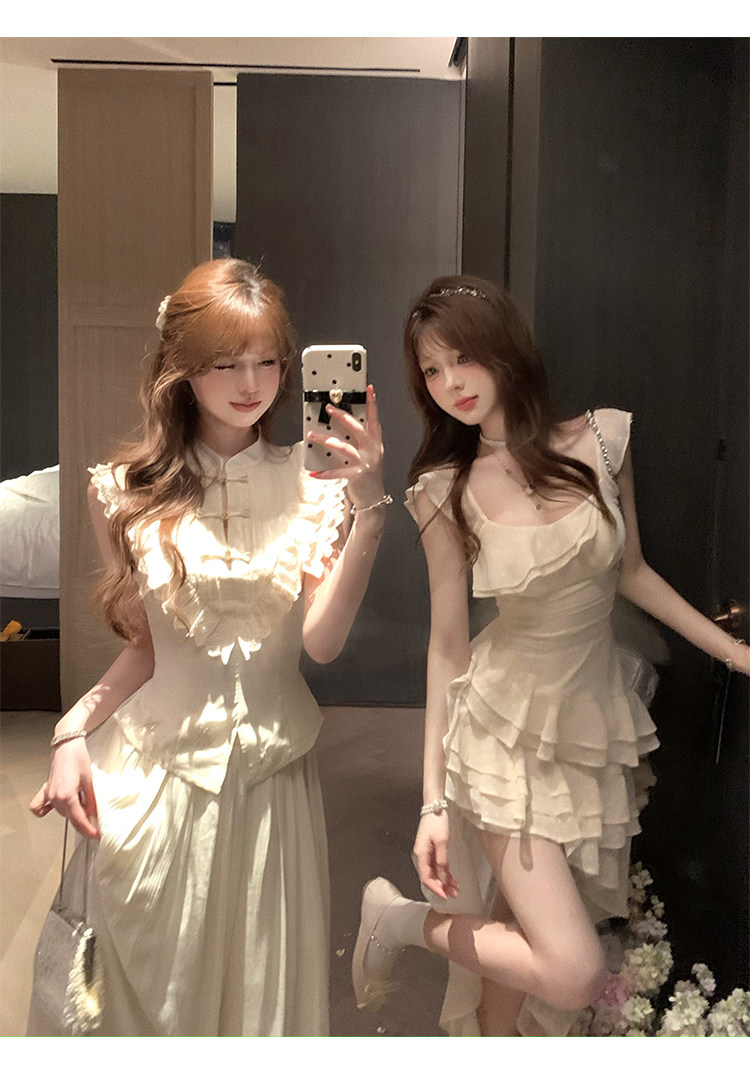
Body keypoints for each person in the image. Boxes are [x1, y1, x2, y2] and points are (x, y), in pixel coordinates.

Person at [351, 274, 750, 1037]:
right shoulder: (444, 488)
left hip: (588, 723)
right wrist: (433, 804)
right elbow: (447, 646)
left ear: (506, 348)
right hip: (501, 731)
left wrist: (733, 652)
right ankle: (399, 921)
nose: (450, 383)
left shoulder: (604, 438)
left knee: (523, 930)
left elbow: (632, 573)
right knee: (572, 970)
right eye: (431, 370)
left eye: (463, 357)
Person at [29, 257, 390, 1036]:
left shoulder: (315, 486)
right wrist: (70, 733)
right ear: (182, 368)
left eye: (267, 361)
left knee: (263, 1002)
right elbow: (146, 651)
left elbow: (322, 644)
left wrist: (371, 513)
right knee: (143, 1003)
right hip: (157, 783)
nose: (249, 382)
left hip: (272, 790)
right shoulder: (121, 489)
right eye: (225, 362)